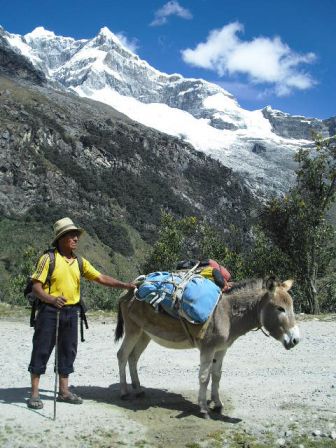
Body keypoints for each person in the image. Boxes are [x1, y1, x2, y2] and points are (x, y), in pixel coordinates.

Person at [27, 217, 136, 409]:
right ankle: (34, 394)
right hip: (50, 311)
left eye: (76, 235)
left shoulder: (78, 261)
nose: (76, 238)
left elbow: (100, 277)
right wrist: (51, 299)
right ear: (61, 238)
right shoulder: (48, 259)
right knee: (42, 349)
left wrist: (125, 285)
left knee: (68, 350)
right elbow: (36, 287)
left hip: (72, 311)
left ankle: (64, 391)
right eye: (72, 235)